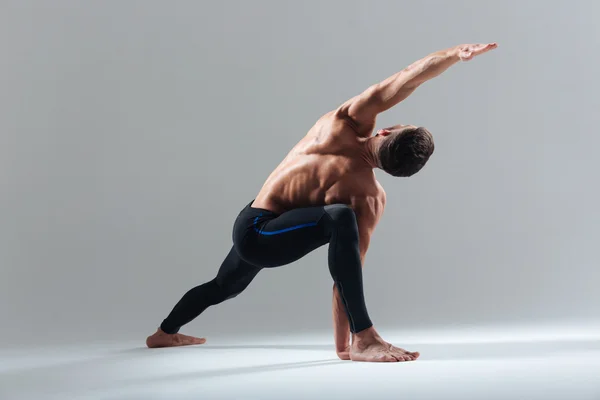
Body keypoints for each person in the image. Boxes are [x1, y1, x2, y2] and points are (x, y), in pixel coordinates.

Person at [146, 42, 498, 362]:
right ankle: (364, 338)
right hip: (263, 233)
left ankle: (164, 333)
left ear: (386, 131)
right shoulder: (369, 197)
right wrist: (344, 344)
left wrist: (454, 55)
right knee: (335, 220)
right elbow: (346, 273)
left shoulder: (341, 124)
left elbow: (406, 79)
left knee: (225, 285)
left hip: (252, 223)